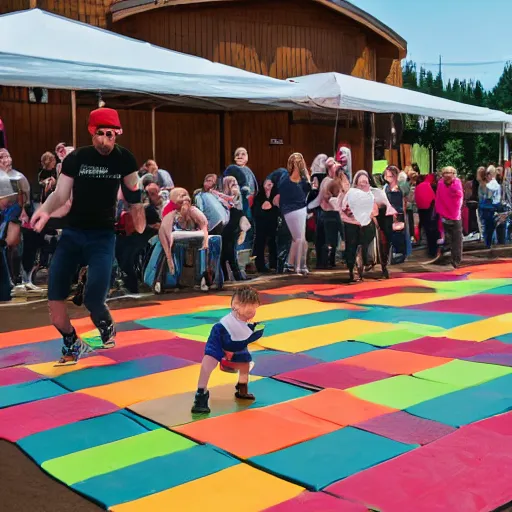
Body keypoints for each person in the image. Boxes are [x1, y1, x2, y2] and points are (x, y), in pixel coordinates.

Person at [31, 107, 145, 365]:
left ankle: (105, 323)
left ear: (117, 134)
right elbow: (60, 195)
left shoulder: (124, 159)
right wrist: (45, 212)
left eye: (112, 134)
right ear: (92, 133)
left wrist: (138, 213)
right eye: (101, 134)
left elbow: (133, 192)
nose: (106, 140)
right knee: (55, 306)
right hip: (73, 233)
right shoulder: (77, 158)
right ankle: (72, 341)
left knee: (94, 298)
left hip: (102, 236)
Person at [191, 285, 265, 414]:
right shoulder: (223, 326)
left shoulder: (245, 324)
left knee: (245, 363)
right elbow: (232, 341)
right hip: (219, 341)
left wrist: (254, 330)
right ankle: (201, 394)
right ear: (235, 306)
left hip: (236, 345)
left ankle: (242, 388)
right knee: (208, 363)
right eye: (249, 309)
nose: (252, 312)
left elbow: (244, 336)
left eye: (254, 309)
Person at [340, 171, 378, 282]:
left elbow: (375, 211)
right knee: (351, 247)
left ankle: (361, 265)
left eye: (365, 182)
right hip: (351, 224)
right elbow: (343, 207)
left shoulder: (370, 195)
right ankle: (352, 269)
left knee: (362, 245)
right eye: (361, 182)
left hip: (364, 226)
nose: (363, 184)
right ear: (356, 183)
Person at [279, 153, 311, 275]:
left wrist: (307, 176)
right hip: (290, 210)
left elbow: (308, 190)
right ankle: (297, 267)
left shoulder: (303, 180)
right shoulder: (285, 179)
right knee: (299, 238)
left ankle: (293, 265)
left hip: (301, 208)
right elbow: (283, 195)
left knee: (300, 239)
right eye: (295, 163)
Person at [436, 166, 464, 268]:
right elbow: (438, 197)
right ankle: (447, 259)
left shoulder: (457, 183)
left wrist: (451, 184)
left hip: (455, 215)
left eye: (450, 173)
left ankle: (456, 261)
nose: (447, 175)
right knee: (447, 238)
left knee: (456, 239)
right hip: (445, 214)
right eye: (445, 173)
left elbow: (459, 195)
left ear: (454, 174)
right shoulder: (440, 183)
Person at [252, 178, 278, 273]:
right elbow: (257, 210)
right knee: (260, 244)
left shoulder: (275, 195)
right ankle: (260, 266)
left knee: (273, 243)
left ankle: (274, 264)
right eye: (267, 183)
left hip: (272, 222)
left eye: (270, 183)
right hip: (261, 223)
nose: (269, 185)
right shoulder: (259, 196)